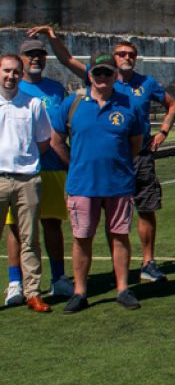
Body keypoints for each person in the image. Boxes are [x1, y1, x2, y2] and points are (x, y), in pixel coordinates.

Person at [32, 27, 175, 282]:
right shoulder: (98, 80)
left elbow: (172, 104)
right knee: (93, 225)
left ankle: (147, 263)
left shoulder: (146, 83)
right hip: (97, 166)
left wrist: (163, 131)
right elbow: (67, 60)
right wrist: (52, 36)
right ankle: (110, 274)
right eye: (121, 53)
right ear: (112, 59)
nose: (126, 57)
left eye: (131, 54)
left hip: (137, 155)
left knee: (145, 209)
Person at [49, 52, 147, 313]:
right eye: (98, 72)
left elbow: (135, 144)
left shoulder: (129, 105)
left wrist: (118, 166)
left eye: (108, 72)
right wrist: (75, 165)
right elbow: (56, 141)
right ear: (89, 74)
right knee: (82, 238)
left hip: (119, 184)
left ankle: (123, 289)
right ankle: (80, 292)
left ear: (116, 75)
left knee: (120, 235)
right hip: (82, 184)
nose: (102, 77)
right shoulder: (73, 104)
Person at [4, 37, 72, 305]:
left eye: (40, 55)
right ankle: (15, 283)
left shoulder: (56, 89)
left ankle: (58, 279)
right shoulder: (11, 88)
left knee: (52, 223)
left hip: (51, 167)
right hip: (17, 172)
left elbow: (60, 130)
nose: (35, 59)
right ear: (20, 59)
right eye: (30, 55)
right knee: (15, 229)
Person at [0, 53, 54, 313]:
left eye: (15, 72)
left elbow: (43, 140)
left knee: (30, 238)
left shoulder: (33, 104)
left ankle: (32, 292)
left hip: (28, 180)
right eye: (6, 71)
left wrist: (24, 161)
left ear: (21, 75)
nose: (10, 76)